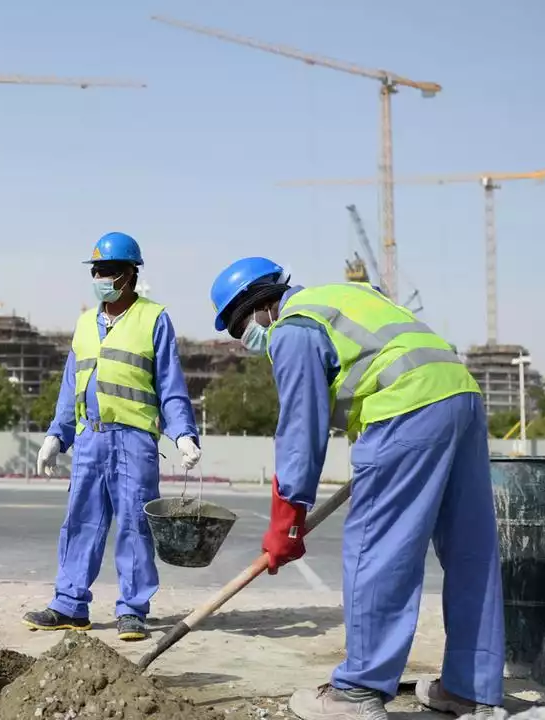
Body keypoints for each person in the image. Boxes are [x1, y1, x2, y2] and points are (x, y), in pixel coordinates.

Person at [208, 258, 504, 720]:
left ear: (257, 305)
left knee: (377, 548)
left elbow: (301, 430)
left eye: (239, 328)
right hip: (460, 396)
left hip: (405, 406)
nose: (246, 340)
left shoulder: (293, 327)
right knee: (472, 552)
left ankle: (358, 691)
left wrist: (287, 522)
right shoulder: (346, 297)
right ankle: (472, 689)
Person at [25, 232, 202, 643]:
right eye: (96, 271)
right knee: (80, 522)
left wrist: (183, 435)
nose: (100, 277)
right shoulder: (85, 324)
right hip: (91, 439)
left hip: (135, 439)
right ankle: (70, 605)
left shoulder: (154, 318)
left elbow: (170, 385)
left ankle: (133, 610)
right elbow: (72, 387)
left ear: (129, 275)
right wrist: (57, 436)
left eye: (108, 271)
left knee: (135, 525)